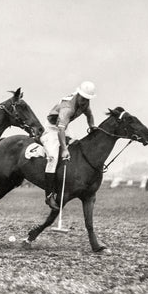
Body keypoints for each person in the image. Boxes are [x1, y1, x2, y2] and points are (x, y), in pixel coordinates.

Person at [40, 81, 97, 210]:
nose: (85, 102)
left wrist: (92, 126)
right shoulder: (67, 108)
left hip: (64, 127)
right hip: (52, 128)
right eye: (83, 98)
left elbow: (90, 115)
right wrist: (64, 149)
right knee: (53, 158)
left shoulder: (85, 103)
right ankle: (49, 196)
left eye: (88, 99)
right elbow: (60, 130)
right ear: (79, 95)